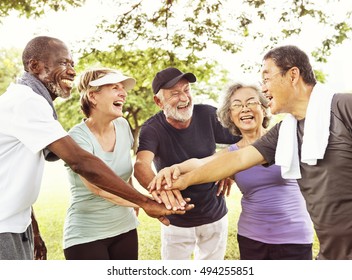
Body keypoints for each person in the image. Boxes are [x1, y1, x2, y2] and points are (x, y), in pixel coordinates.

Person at [151, 45, 352, 260]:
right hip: (332, 252)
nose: (264, 89)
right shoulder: (286, 132)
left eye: (266, 79)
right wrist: (180, 178)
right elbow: (238, 158)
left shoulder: (346, 107)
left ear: (293, 75)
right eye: (237, 105)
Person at [0, 36, 192, 260]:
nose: (72, 71)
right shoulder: (26, 101)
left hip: (16, 223)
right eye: (63, 63)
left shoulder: (32, 103)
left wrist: (31, 228)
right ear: (34, 66)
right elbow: (81, 163)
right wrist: (145, 201)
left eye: (72, 64)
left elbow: (12, 174)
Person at [151, 82, 314, 260]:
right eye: (236, 105)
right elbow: (200, 163)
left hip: (295, 236)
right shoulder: (231, 154)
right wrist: (173, 169)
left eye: (251, 102)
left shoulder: (285, 138)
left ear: (264, 107)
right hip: (252, 238)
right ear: (230, 115)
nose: (244, 109)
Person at [134, 67, 240, 260]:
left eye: (186, 90)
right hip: (175, 221)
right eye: (174, 93)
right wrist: (162, 193)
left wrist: (229, 167)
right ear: (159, 102)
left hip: (214, 215)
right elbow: (141, 165)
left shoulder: (208, 114)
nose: (184, 98)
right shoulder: (152, 128)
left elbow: (248, 139)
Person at [63, 68, 141, 260]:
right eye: (115, 87)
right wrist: (146, 203)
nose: (123, 93)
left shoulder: (123, 127)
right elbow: (99, 188)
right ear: (92, 96)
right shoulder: (77, 137)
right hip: (86, 235)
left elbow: (124, 175)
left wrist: (135, 204)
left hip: (126, 228)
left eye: (123, 88)